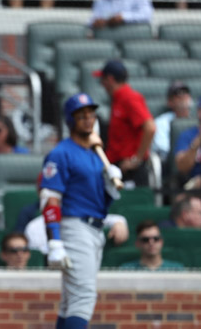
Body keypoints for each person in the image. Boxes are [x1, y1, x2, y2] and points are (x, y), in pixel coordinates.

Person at [39, 93, 121, 329]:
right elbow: (50, 198)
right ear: (71, 120)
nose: (88, 119)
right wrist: (54, 239)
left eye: (91, 114)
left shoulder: (96, 154)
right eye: (81, 115)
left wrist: (110, 184)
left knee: (70, 302)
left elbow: (101, 203)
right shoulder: (61, 152)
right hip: (75, 227)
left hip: (94, 228)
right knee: (83, 298)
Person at [95, 60, 156, 187]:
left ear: (110, 79)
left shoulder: (129, 98)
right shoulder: (118, 98)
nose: (102, 84)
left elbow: (150, 128)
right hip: (117, 167)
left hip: (130, 171)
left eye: (103, 79)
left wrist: (136, 160)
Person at [151, 81, 192, 165]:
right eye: (178, 94)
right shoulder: (161, 122)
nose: (183, 97)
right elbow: (164, 150)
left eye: (185, 93)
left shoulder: (198, 119)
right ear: (170, 102)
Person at [119, 220, 185, 270]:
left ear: (161, 241)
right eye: (145, 239)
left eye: (156, 239)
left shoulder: (177, 269)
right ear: (137, 243)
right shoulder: (126, 269)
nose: (151, 243)